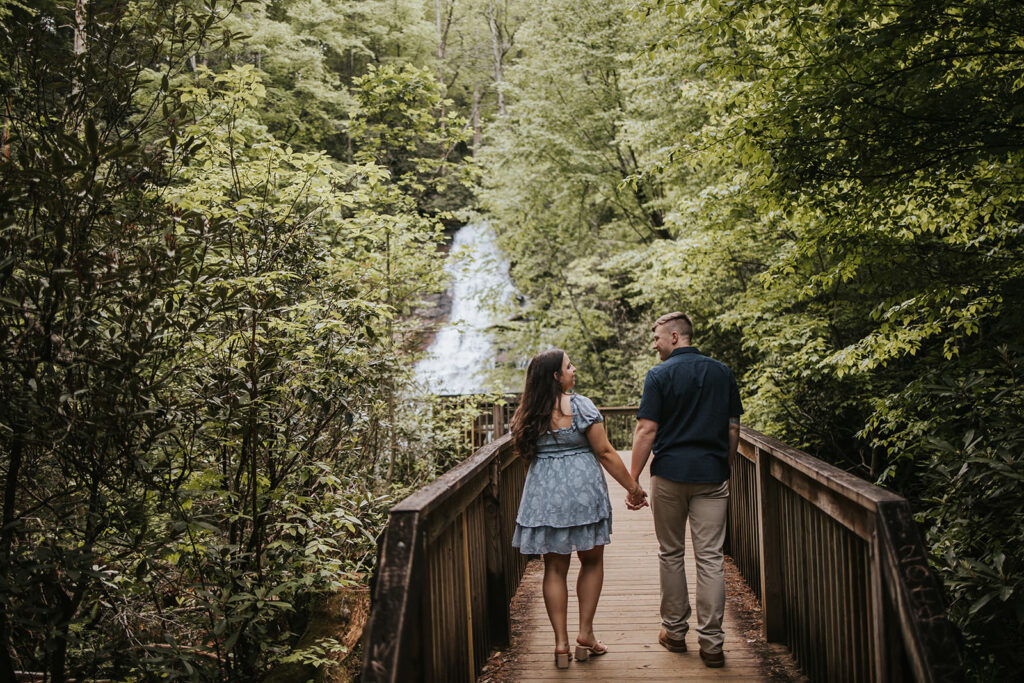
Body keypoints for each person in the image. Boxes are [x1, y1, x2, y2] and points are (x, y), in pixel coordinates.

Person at [511, 348, 648, 669]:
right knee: (591, 560)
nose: (575, 370)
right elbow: (605, 452)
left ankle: (560, 646)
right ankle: (585, 634)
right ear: (556, 377)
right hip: (583, 491)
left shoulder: (528, 413)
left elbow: (525, 453)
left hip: (544, 493)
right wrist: (633, 487)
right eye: (569, 366)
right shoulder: (581, 406)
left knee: (554, 568)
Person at [627, 312, 742, 669]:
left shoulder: (659, 376)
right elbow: (733, 428)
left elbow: (646, 430)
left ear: (676, 336)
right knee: (710, 558)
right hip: (710, 475)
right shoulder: (721, 372)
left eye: (658, 338)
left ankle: (675, 633)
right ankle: (712, 643)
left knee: (671, 553)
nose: (655, 344)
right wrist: (725, 466)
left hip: (670, 476)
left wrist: (633, 481)